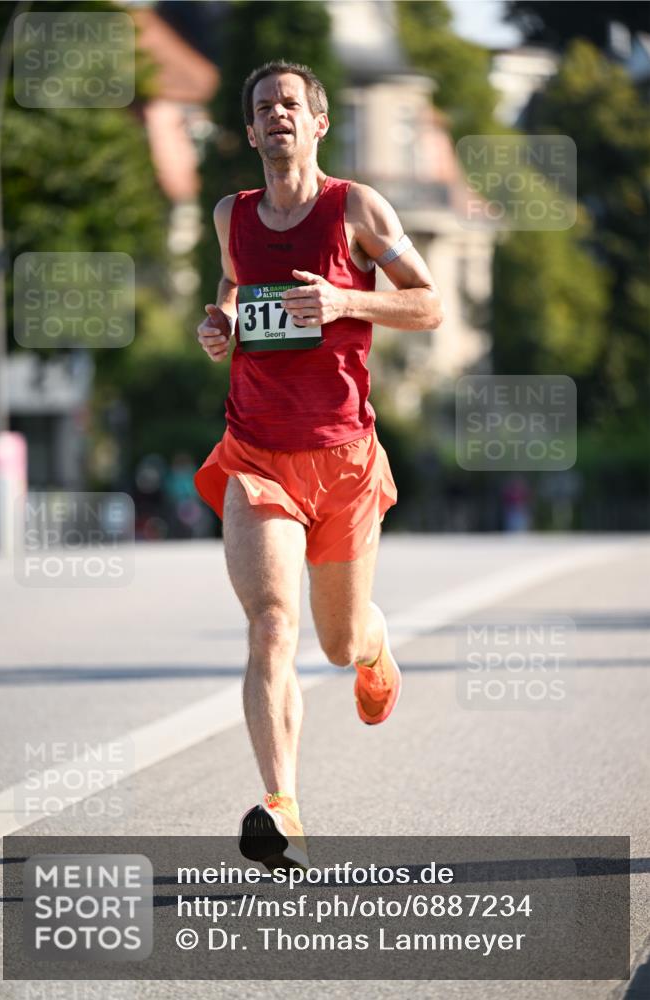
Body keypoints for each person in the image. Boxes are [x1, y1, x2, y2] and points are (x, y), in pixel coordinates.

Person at [194, 61, 444, 872]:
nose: (277, 117)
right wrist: (221, 324)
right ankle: (284, 807)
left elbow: (429, 302)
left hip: (342, 458)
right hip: (256, 454)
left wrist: (347, 302)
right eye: (263, 107)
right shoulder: (231, 214)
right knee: (271, 623)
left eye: (290, 105)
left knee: (337, 642)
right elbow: (233, 287)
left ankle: (374, 651)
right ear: (250, 129)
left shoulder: (356, 208)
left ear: (318, 122)